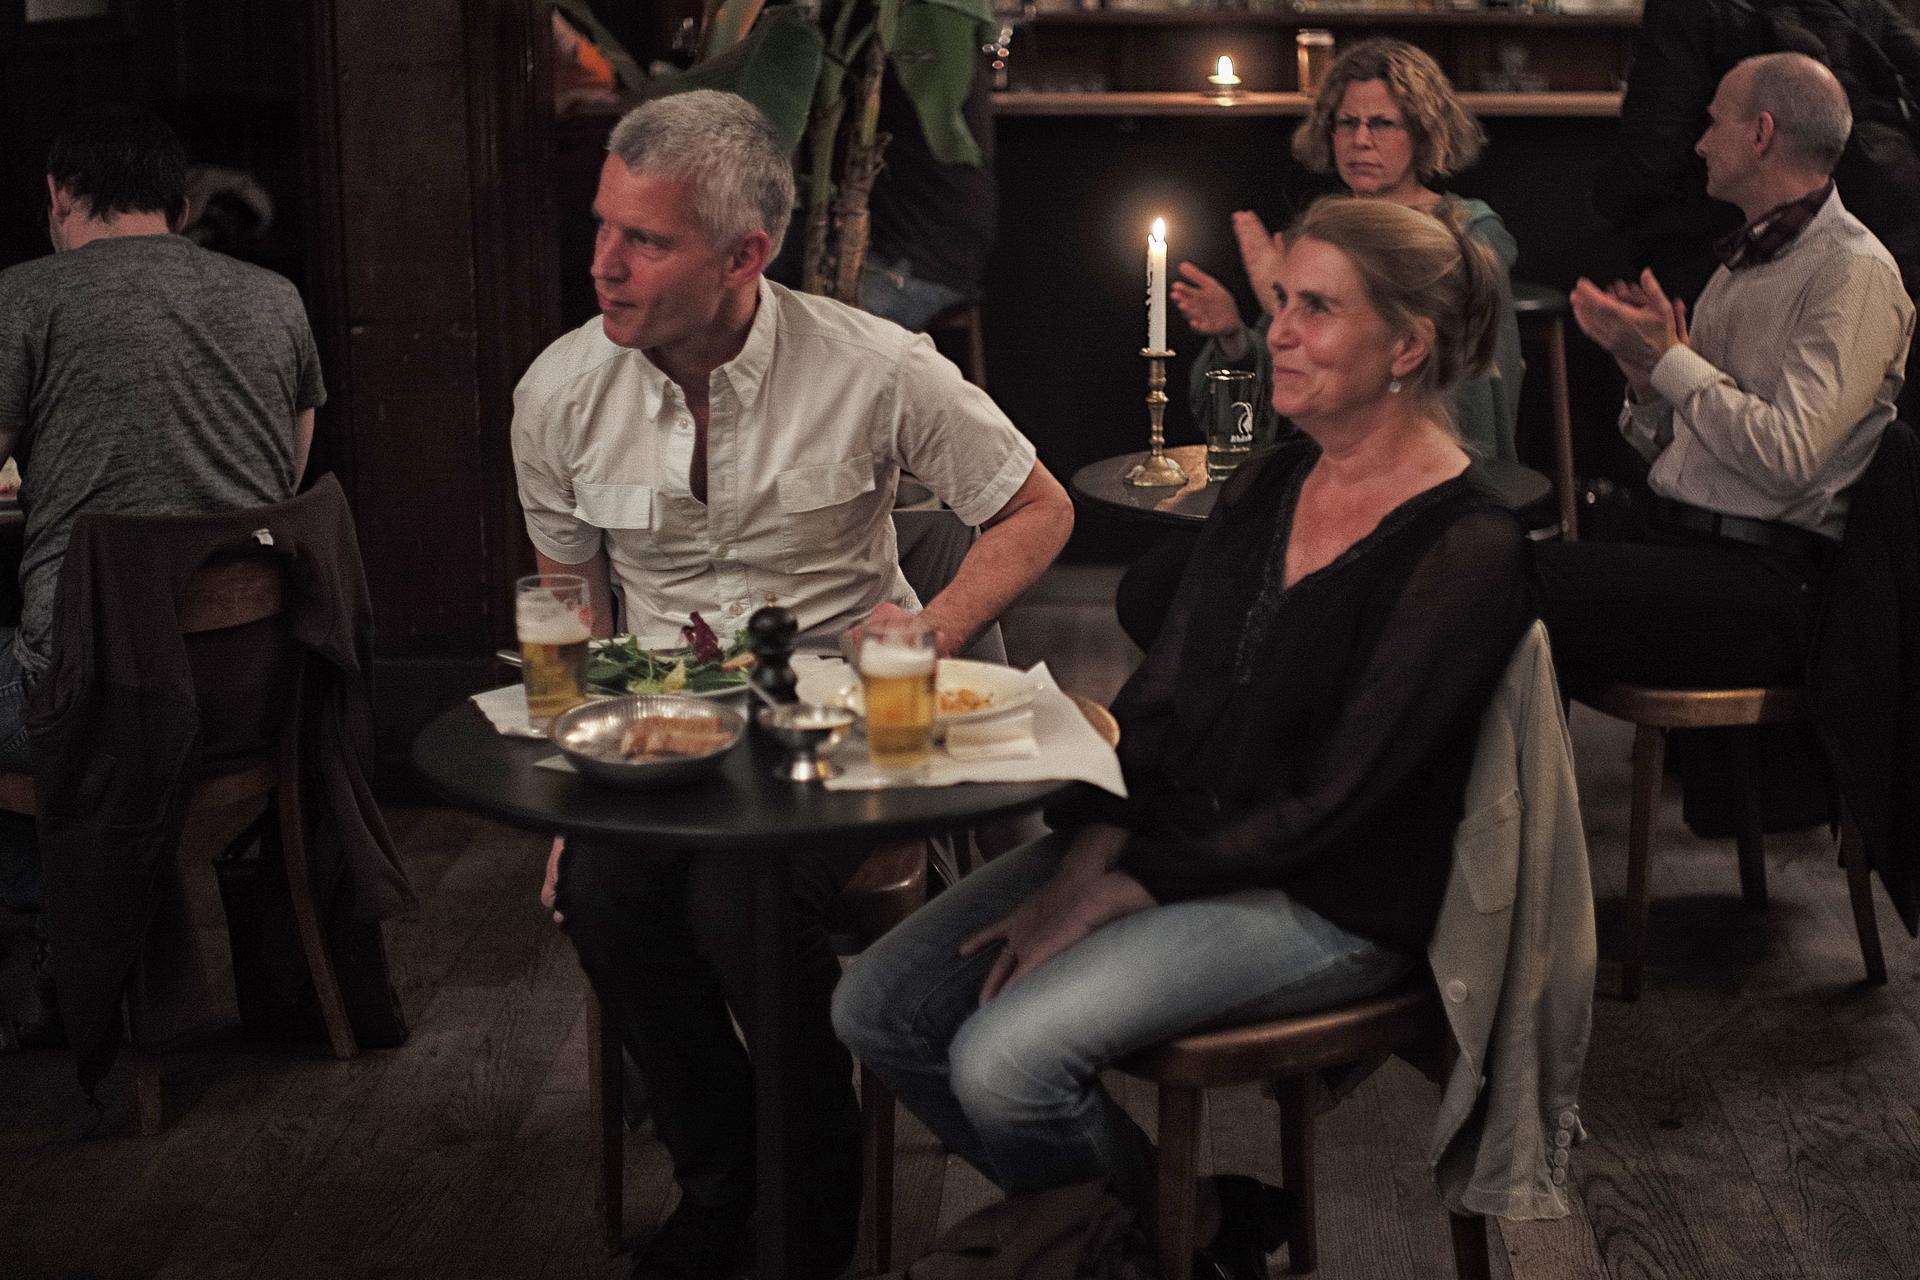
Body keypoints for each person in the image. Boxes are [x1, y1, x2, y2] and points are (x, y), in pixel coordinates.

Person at [835, 196, 1532, 1280]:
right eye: (1282, 300)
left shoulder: (1468, 545)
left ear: (1408, 346)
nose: (1279, 331)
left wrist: (1122, 888)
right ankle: (1189, 1230)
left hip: (1333, 894)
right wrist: (1088, 860)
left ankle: (1147, 1244)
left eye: (1316, 309)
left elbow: (1335, 805)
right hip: (1179, 841)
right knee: (875, 1005)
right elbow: (1157, 702)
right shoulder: (1270, 480)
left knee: (1005, 1062)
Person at [509, 91, 1072, 1280]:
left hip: (838, 728)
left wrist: (929, 628)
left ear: (743, 256)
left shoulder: (875, 365)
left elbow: (1037, 507)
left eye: (645, 239)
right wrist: (580, 789)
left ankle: (811, 1201)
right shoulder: (558, 390)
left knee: (740, 904)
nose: (603, 261)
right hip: (662, 725)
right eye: (603, 224)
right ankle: (724, 1182)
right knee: (601, 893)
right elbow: (574, 603)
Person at [0, 105, 321, 1042]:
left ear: (58, 198)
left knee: (30, 673)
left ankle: (64, 934)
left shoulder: (26, 295)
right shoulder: (276, 299)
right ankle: (77, 935)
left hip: (97, 699)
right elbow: (284, 480)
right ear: (181, 205)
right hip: (253, 695)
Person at [1538, 53, 1912, 695]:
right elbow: (1682, 445)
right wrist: (1647, 379)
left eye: (1713, 122)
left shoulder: (1853, 273)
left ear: (1762, 133)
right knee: (1495, 575)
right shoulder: (1743, 263)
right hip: (1692, 548)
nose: (1700, 143)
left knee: (1511, 581)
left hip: (1769, 580)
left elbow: (1788, 459)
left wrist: (1672, 361)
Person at [1173, 38, 1524, 464]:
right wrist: (1233, 335)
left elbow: (1468, 386)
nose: (1360, 140)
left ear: (1422, 132)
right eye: (1346, 123)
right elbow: (1276, 386)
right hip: (1323, 464)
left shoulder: (1467, 231)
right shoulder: (1325, 230)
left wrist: (1294, 305)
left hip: (1431, 465)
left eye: (1382, 123)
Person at [1592, 0, 1920, 423]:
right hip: (1894, 233)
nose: (1704, 144)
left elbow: (1648, 156)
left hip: (1731, 248)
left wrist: (1603, 205)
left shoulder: (1688, 11)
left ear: (1763, 132)